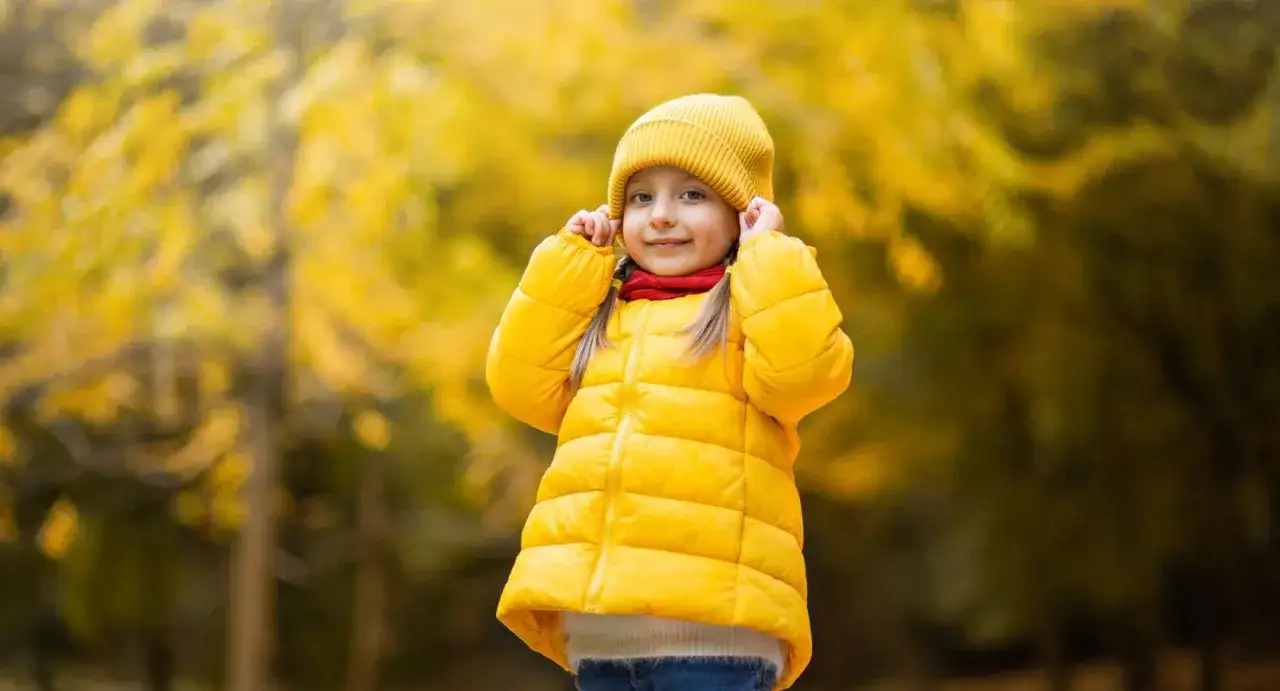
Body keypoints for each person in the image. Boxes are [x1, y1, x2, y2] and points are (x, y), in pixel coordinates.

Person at [485, 93, 854, 691]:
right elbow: (520, 387)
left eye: (691, 194)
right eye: (640, 197)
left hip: (716, 631)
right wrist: (570, 264)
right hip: (602, 631)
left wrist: (770, 257)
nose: (660, 215)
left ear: (745, 212)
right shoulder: (603, 317)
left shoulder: (747, 314)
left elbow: (802, 378)